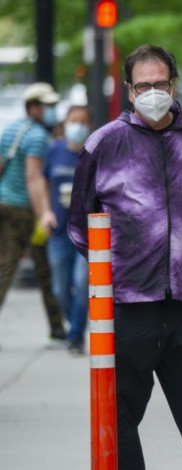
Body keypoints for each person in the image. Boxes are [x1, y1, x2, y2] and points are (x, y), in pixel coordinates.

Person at [67, 44, 182, 469]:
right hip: (129, 307)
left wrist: (178, 257)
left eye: (159, 83)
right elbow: (79, 224)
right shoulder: (103, 143)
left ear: (174, 84)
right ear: (129, 90)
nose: (152, 92)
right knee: (118, 418)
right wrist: (122, 267)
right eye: (142, 85)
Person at [0, 82, 66, 341]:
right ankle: (57, 327)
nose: (52, 111)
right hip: (25, 209)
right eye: (48, 106)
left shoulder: (12, 129)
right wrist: (45, 213)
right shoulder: (38, 136)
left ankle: (57, 326)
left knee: (10, 264)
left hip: (5, 204)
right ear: (34, 107)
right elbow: (34, 177)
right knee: (36, 267)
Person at [43, 105, 92, 355]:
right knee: (60, 287)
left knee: (82, 282)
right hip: (59, 231)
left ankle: (75, 335)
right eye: (74, 121)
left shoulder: (93, 152)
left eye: (83, 121)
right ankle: (75, 323)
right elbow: (40, 180)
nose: (78, 126)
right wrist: (44, 211)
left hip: (86, 233)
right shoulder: (54, 151)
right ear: (65, 124)